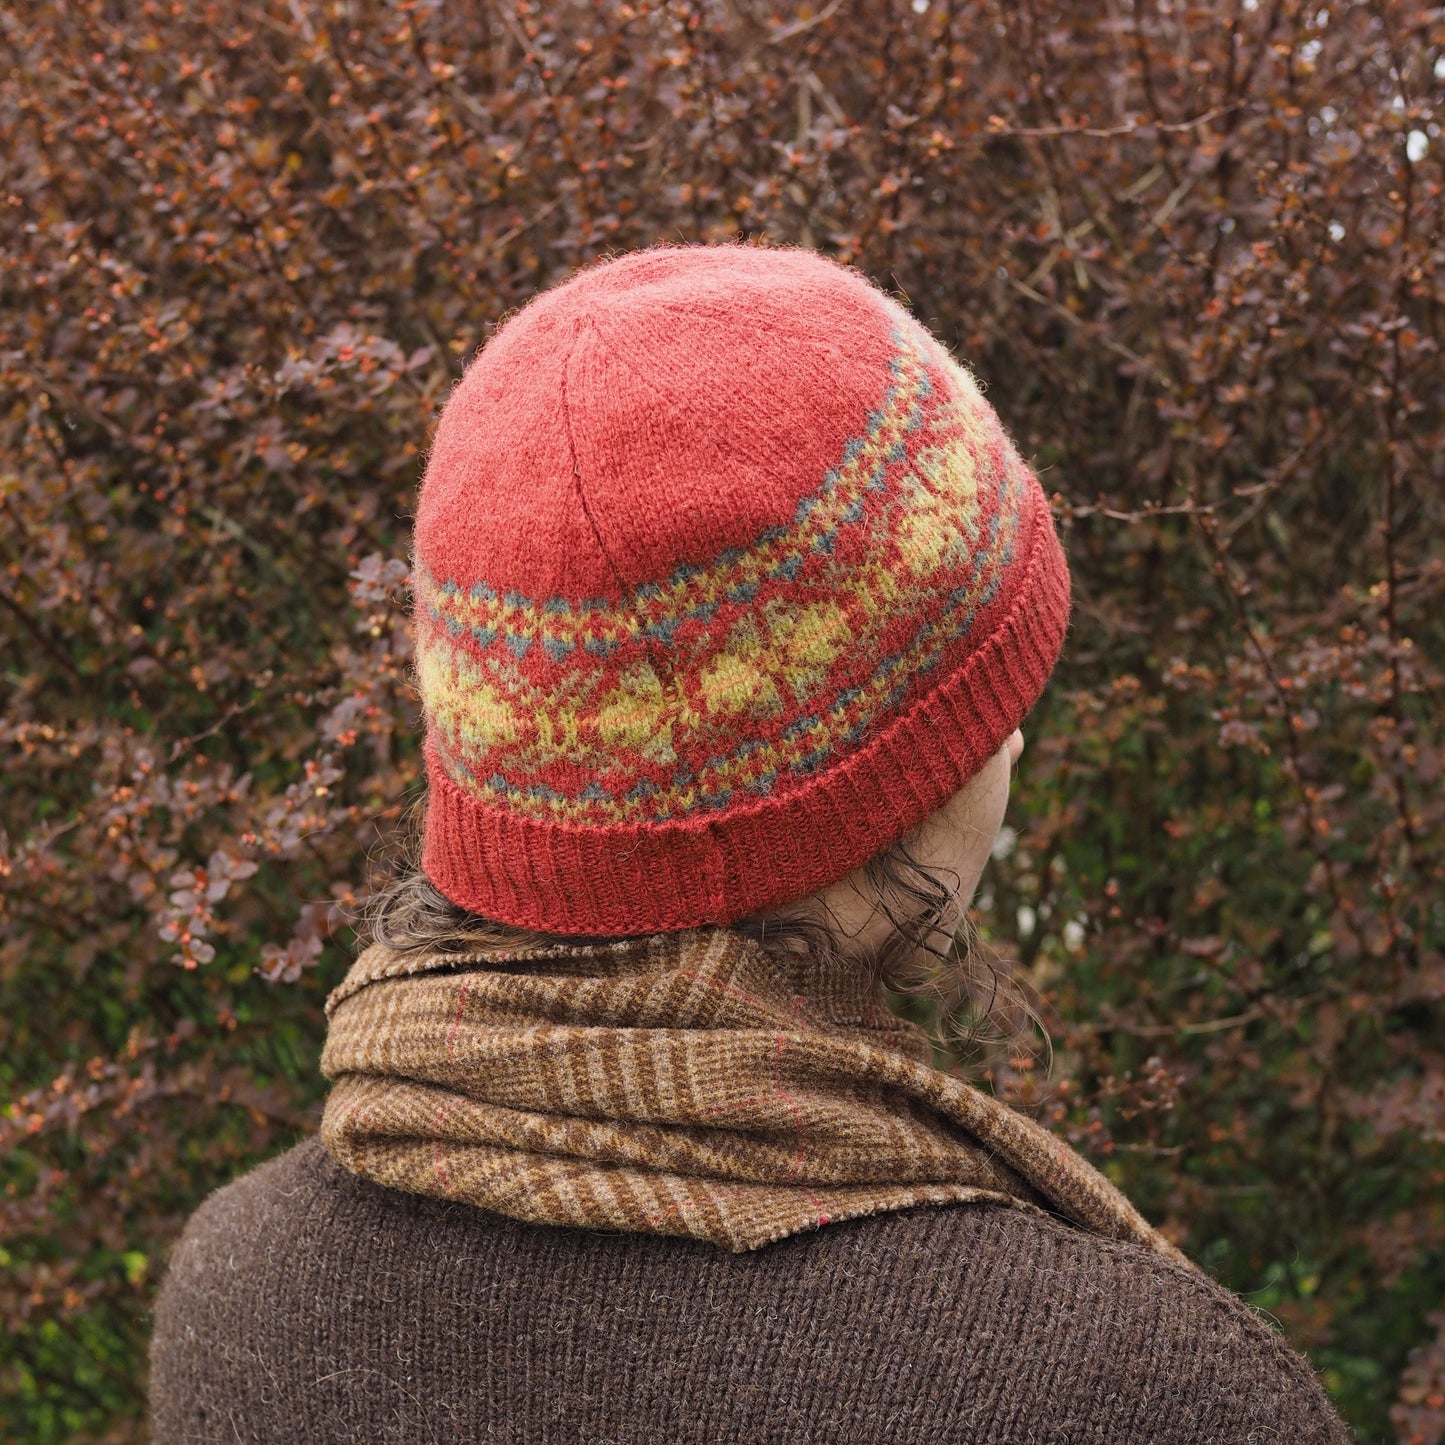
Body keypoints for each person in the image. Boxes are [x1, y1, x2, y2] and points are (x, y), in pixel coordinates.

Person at [149, 245, 1350, 1443]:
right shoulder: (1135, 1394)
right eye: (980, 709)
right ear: (874, 784)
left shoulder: (243, 1291)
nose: (1015, 743)